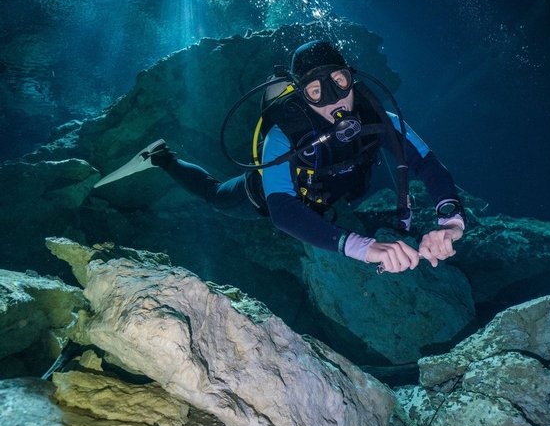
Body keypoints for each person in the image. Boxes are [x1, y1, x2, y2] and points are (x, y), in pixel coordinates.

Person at [95, 39, 465, 274]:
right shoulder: (283, 135)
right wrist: (362, 246)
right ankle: (162, 157)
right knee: (216, 196)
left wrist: (450, 222)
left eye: (339, 82)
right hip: (263, 195)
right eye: (316, 91)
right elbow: (283, 211)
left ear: (351, 78)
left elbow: (427, 163)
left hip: (326, 198)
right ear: (302, 95)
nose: (334, 99)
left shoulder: (380, 119)